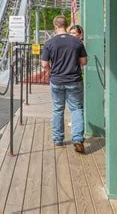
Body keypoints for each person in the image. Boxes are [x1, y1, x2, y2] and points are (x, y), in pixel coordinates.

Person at [41, 15, 88, 153]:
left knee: (57, 109)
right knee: (76, 109)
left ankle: (58, 138)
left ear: (55, 26)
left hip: (57, 80)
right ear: (66, 26)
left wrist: (51, 71)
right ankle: (78, 139)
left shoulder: (50, 43)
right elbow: (84, 62)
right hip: (74, 80)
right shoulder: (77, 42)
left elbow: (44, 64)